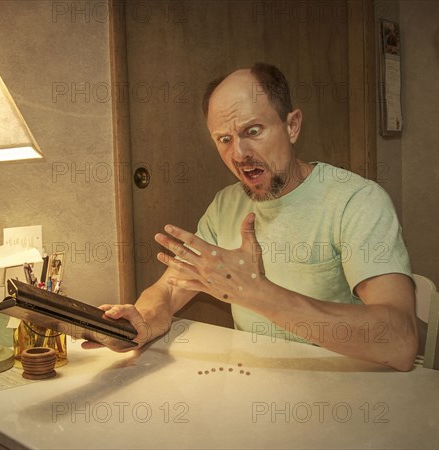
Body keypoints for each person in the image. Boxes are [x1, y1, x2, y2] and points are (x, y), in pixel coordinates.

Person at [83, 63, 418, 371]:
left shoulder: (356, 201)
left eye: (253, 131)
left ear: (292, 126)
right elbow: (170, 289)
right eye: (225, 140)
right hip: (254, 386)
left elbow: (400, 341)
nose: (239, 154)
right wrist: (141, 322)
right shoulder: (226, 205)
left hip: (347, 394)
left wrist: (258, 293)